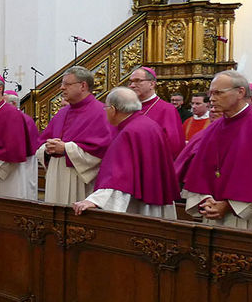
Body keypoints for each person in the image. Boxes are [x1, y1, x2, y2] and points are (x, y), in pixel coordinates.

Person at [73, 87, 179, 219]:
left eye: (106, 108)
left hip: (137, 207)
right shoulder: (148, 125)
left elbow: (120, 176)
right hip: (154, 197)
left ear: (113, 109)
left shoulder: (130, 132)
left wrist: (95, 200)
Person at [182, 70, 252, 230]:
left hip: (248, 220)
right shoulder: (212, 129)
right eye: (211, 94)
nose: (212, 99)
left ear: (240, 92)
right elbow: (200, 174)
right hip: (212, 217)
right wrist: (205, 199)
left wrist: (229, 205)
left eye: (218, 93)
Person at [37, 66, 112, 205]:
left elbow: (103, 151)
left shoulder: (101, 112)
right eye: (61, 84)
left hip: (78, 178)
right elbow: (41, 142)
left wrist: (66, 149)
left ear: (83, 86)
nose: (61, 88)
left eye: (66, 84)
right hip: (56, 173)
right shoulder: (62, 112)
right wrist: (48, 148)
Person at [128, 67, 184, 158]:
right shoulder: (128, 107)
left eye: (138, 81)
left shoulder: (167, 110)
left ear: (152, 84)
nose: (132, 85)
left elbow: (174, 146)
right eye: (130, 82)